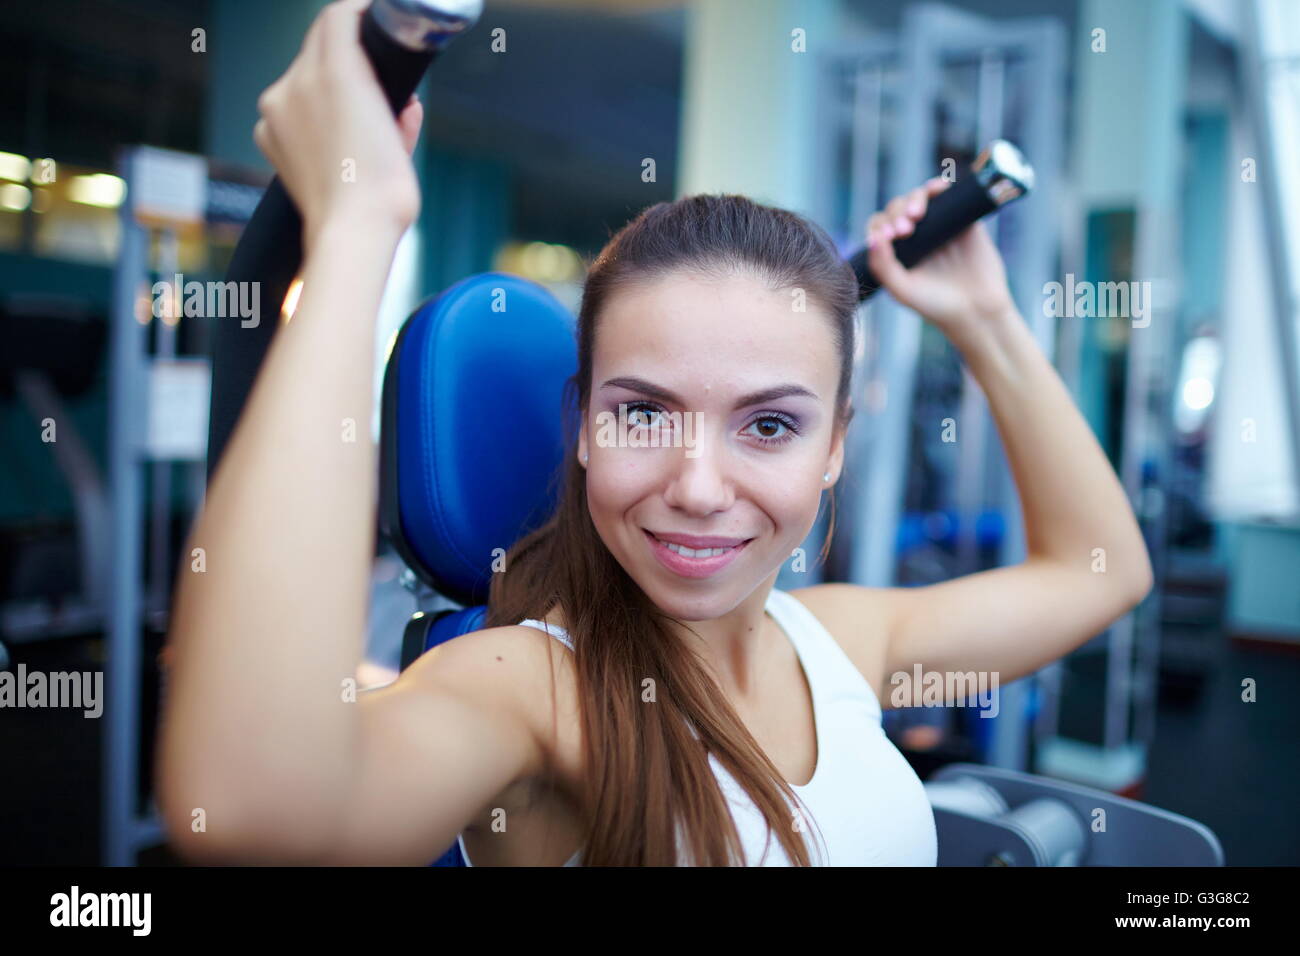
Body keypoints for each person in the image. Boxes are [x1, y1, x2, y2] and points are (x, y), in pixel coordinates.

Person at [156, 0, 1153, 867]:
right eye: (641, 411)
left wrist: (984, 316)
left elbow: (1100, 570)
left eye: (768, 423)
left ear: (836, 443)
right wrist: (357, 229)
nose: (699, 484)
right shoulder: (535, 688)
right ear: (582, 425)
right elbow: (248, 813)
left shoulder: (846, 641)